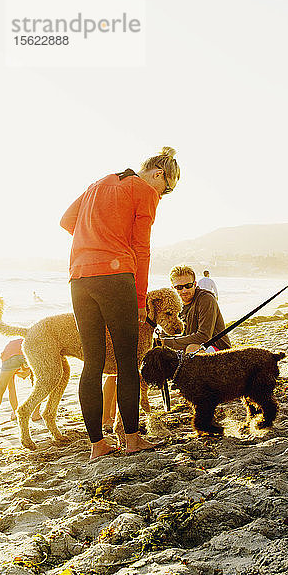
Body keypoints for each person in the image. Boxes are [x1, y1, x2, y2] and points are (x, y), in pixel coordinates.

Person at [60, 147, 180, 459]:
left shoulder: (98, 183)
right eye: (166, 189)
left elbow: (66, 221)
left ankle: (97, 445)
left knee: (93, 363)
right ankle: (132, 439)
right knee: (127, 362)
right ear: (157, 174)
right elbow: (141, 248)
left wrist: (97, 235)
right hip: (115, 277)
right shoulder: (144, 191)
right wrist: (141, 298)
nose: (162, 196)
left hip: (79, 277)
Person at [162, 265, 231, 353]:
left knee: (192, 349)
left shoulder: (206, 299)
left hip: (218, 349)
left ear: (195, 284)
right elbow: (169, 332)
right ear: (173, 288)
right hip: (188, 347)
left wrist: (166, 342)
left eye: (188, 286)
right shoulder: (174, 305)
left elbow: (204, 336)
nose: (184, 291)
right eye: (179, 287)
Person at [0, 339, 41, 421]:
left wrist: (15, 411)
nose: (23, 378)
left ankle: (17, 412)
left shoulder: (11, 370)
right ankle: (36, 414)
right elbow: (37, 388)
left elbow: (11, 390)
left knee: (0, 388)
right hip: (29, 351)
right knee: (38, 385)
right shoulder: (31, 367)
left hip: (14, 353)